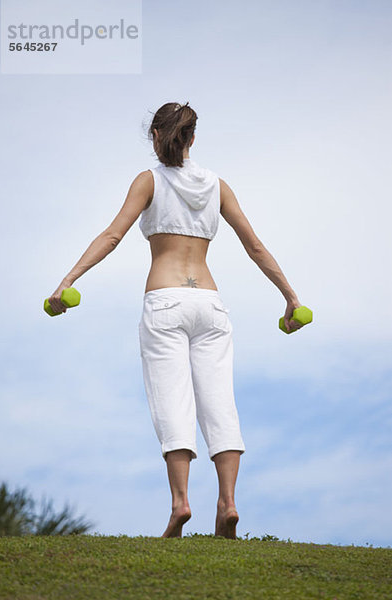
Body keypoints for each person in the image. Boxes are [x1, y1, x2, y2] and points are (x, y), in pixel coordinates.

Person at [48, 101, 303, 540]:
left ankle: (181, 503)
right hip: (210, 303)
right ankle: (228, 503)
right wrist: (291, 297)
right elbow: (255, 246)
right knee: (220, 402)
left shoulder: (148, 181)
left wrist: (65, 283)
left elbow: (112, 235)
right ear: (193, 138)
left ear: (155, 136)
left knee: (173, 402)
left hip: (165, 302)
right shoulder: (217, 185)